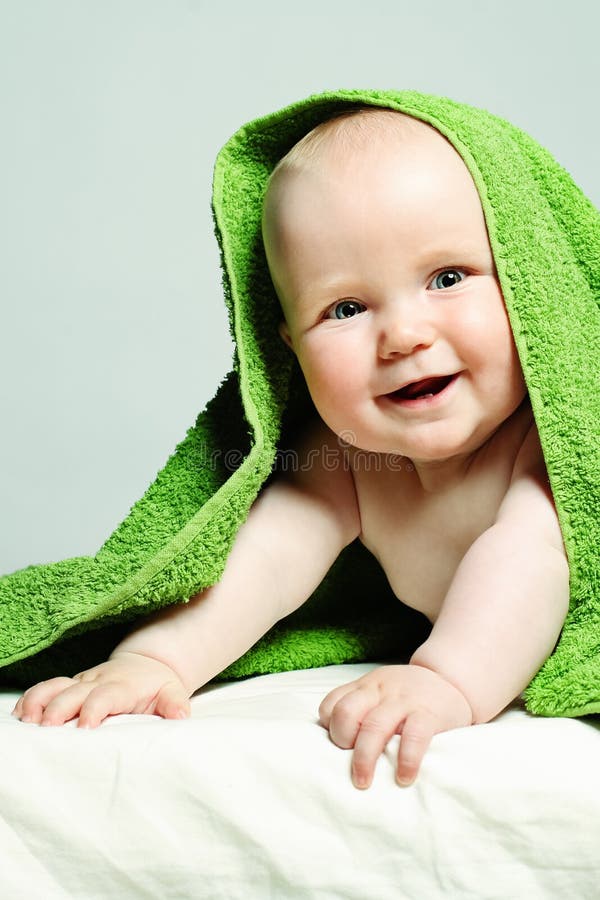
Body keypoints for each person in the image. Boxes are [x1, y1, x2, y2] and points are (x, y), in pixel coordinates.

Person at [12, 108, 570, 790]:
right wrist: (157, 662)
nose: (403, 335)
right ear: (290, 349)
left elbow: (528, 560)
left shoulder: (544, 452)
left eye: (447, 277)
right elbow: (269, 558)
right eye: (344, 309)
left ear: (528, 283)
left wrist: (446, 678)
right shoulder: (348, 458)